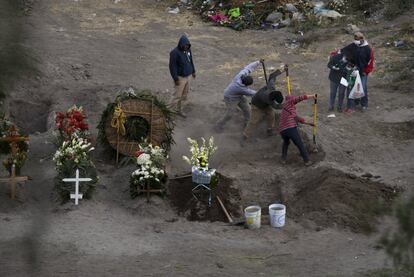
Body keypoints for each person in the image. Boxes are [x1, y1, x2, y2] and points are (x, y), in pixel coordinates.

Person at [215, 60, 261, 131]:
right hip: (230, 98)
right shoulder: (241, 88)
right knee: (230, 114)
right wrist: (264, 92)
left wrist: (258, 62)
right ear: (246, 85)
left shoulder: (241, 75)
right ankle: (218, 125)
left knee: (247, 110)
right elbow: (254, 93)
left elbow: (248, 68)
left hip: (239, 96)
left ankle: (246, 126)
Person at [243, 66, 285, 140]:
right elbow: (276, 106)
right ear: (273, 99)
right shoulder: (267, 99)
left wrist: (283, 70)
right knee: (253, 121)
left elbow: (272, 76)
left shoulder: (271, 87)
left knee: (271, 116)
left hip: (265, 104)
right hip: (256, 106)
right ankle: (245, 136)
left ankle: (269, 130)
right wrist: (285, 105)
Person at [279, 94, 316, 166]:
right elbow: (300, 97)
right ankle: (307, 161)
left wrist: (308, 123)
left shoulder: (287, 109)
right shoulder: (289, 103)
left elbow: (297, 118)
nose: (295, 102)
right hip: (290, 128)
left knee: (286, 143)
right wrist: (312, 96)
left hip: (282, 130)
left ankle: (283, 159)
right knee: (300, 144)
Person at [342, 32, 372, 110]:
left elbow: (370, 61)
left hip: (363, 71)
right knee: (353, 86)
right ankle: (355, 101)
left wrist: (366, 71)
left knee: (363, 87)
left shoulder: (367, 49)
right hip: (354, 70)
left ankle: (364, 104)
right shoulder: (354, 45)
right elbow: (344, 50)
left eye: (357, 39)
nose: (356, 41)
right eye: (355, 39)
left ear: (362, 39)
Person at [169, 35, 196, 117]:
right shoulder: (174, 52)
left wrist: (193, 71)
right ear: (181, 44)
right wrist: (175, 78)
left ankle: (179, 110)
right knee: (177, 96)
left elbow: (191, 61)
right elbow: (172, 66)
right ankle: (169, 112)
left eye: (187, 46)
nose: (186, 47)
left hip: (188, 76)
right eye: (184, 45)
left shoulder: (188, 50)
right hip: (180, 78)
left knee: (184, 95)